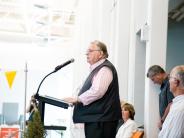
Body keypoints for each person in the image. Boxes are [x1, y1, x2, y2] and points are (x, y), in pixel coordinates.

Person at [63, 40, 121, 138]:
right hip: (97, 119)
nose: (86, 53)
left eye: (90, 51)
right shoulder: (97, 69)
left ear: (101, 54)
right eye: (87, 51)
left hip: (102, 120)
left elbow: (97, 91)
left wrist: (78, 99)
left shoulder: (105, 69)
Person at [158, 65, 184, 137]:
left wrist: (162, 120)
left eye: (170, 78)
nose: (168, 81)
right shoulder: (177, 104)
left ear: (176, 82)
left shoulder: (180, 109)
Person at [147, 65, 174, 129]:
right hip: (167, 122)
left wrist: (162, 120)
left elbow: (171, 103)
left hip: (170, 122)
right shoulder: (164, 85)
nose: (154, 82)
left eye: (153, 79)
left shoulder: (169, 83)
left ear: (158, 74)